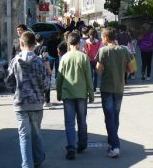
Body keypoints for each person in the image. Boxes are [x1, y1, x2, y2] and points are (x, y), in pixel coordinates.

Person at [6, 31, 50, 168]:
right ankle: (38, 159)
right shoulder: (39, 62)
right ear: (34, 44)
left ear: (21, 43)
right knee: (36, 133)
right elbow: (46, 84)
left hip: (20, 103)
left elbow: (8, 82)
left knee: (24, 136)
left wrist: (16, 89)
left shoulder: (15, 62)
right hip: (36, 103)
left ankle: (27, 165)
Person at [56, 32, 94, 160]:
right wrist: (91, 94)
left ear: (68, 43)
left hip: (67, 95)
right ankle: (82, 144)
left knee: (69, 123)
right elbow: (89, 77)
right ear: (79, 43)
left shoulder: (64, 58)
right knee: (82, 121)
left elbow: (59, 78)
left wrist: (59, 93)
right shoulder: (83, 57)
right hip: (81, 94)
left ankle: (71, 148)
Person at [96, 27, 132, 158]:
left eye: (102, 36)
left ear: (105, 37)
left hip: (106, 87)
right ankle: (112, 142)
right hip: (119, 87)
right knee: (115, 115)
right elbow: (131, 69)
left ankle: (115, 145)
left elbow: (98, 70)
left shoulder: (103, 51)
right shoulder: (124, 50)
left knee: (109, 117)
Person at [34, 34, 53, 107]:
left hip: (35, 69)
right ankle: (47, 101)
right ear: (42, 40)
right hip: (43, 69)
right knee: (47, 85)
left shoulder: (32, 48)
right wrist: (49, 70)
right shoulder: (44, 48)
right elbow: (46, 60)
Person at [84, 28, 101, 93]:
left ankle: (90, 88)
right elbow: (99, 51)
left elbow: (84, 51)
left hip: (88, 60)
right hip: (96, 60)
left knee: (89, 75)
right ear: (95, 34)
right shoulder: (98, 42)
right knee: (95, 75)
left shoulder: (86, 42)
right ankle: (94, 89)